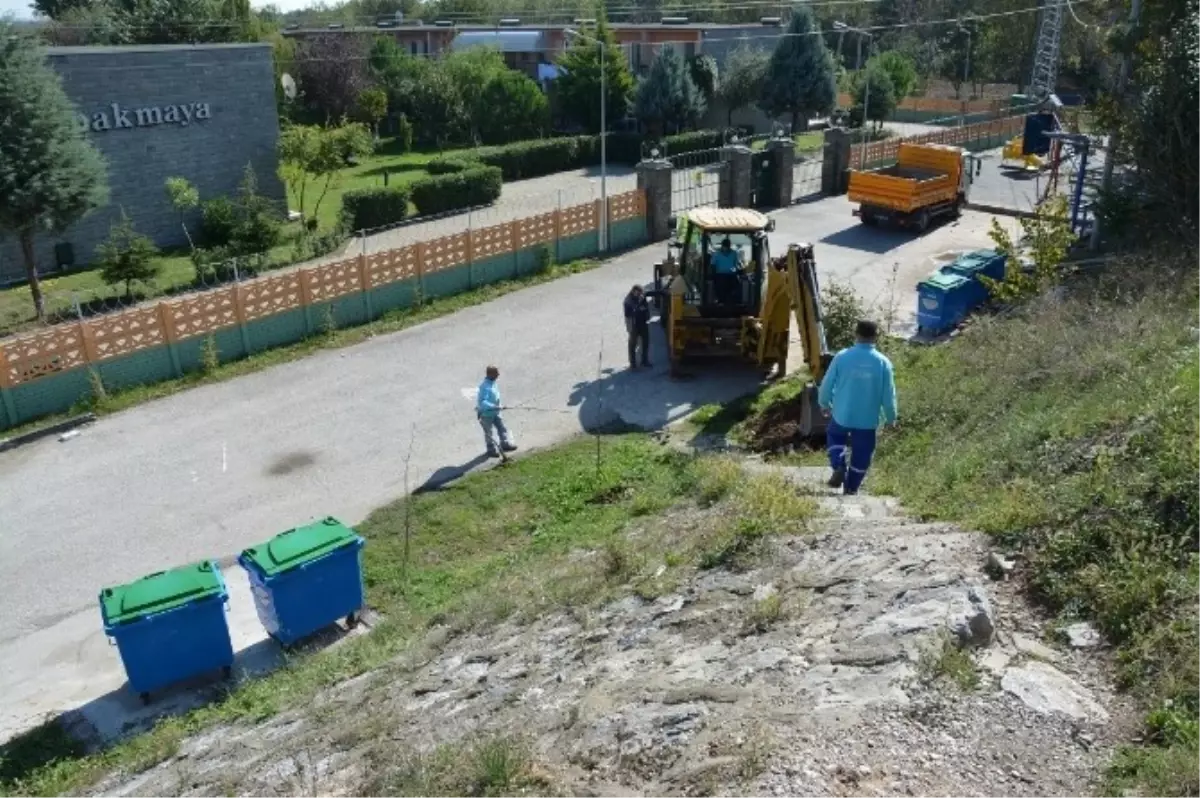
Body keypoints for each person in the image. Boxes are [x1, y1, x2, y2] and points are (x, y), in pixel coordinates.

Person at [817, 320, 898, 495]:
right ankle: (851, 488)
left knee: (835, 436)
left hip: (842, 414)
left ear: (856, 334)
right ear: (876, 337)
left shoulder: (842, 356)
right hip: (867, 420)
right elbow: (888, 395)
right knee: (862, 454)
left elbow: (827, 383)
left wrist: (824, 403)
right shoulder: (883, 362)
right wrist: (891, 418)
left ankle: (839, 466)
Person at [476, 365, 517, 459]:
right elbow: (483, 402)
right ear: (490, 374)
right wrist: (495, 406)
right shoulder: (485, 387)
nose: (498, 374)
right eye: (496, 373)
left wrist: (500, 406)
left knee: (502, 428)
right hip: (486, 414)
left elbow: (495, 397)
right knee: (489, 433)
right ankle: (491, 449)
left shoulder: (493, 383)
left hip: (496, 412)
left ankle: (505, 444)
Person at [623, 284, 652, 370]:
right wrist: (638, 309)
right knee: (632, 345)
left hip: (642, 323)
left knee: (646, 342)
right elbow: (627, 314)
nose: (640, 295)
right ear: (634, 291)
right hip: (633, 325)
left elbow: (646, 307)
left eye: (641, 293)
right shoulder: (628, 300)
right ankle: (633, 364)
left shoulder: (642, 298)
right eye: (639, 293)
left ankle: (644, 360)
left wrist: (644, 311)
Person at [710, 237, 742, 305]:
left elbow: (735, 265)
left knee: (737, 285)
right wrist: (714, 274)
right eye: (725, 246)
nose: (726, 248)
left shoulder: (734, 253)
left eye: (727, 246)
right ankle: (721, 300)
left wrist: (736, 271)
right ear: (722, 246)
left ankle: (735, 301)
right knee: (720, 284)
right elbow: (713, 265)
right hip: (720, 274)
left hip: (731, 274)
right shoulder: (716, 254)